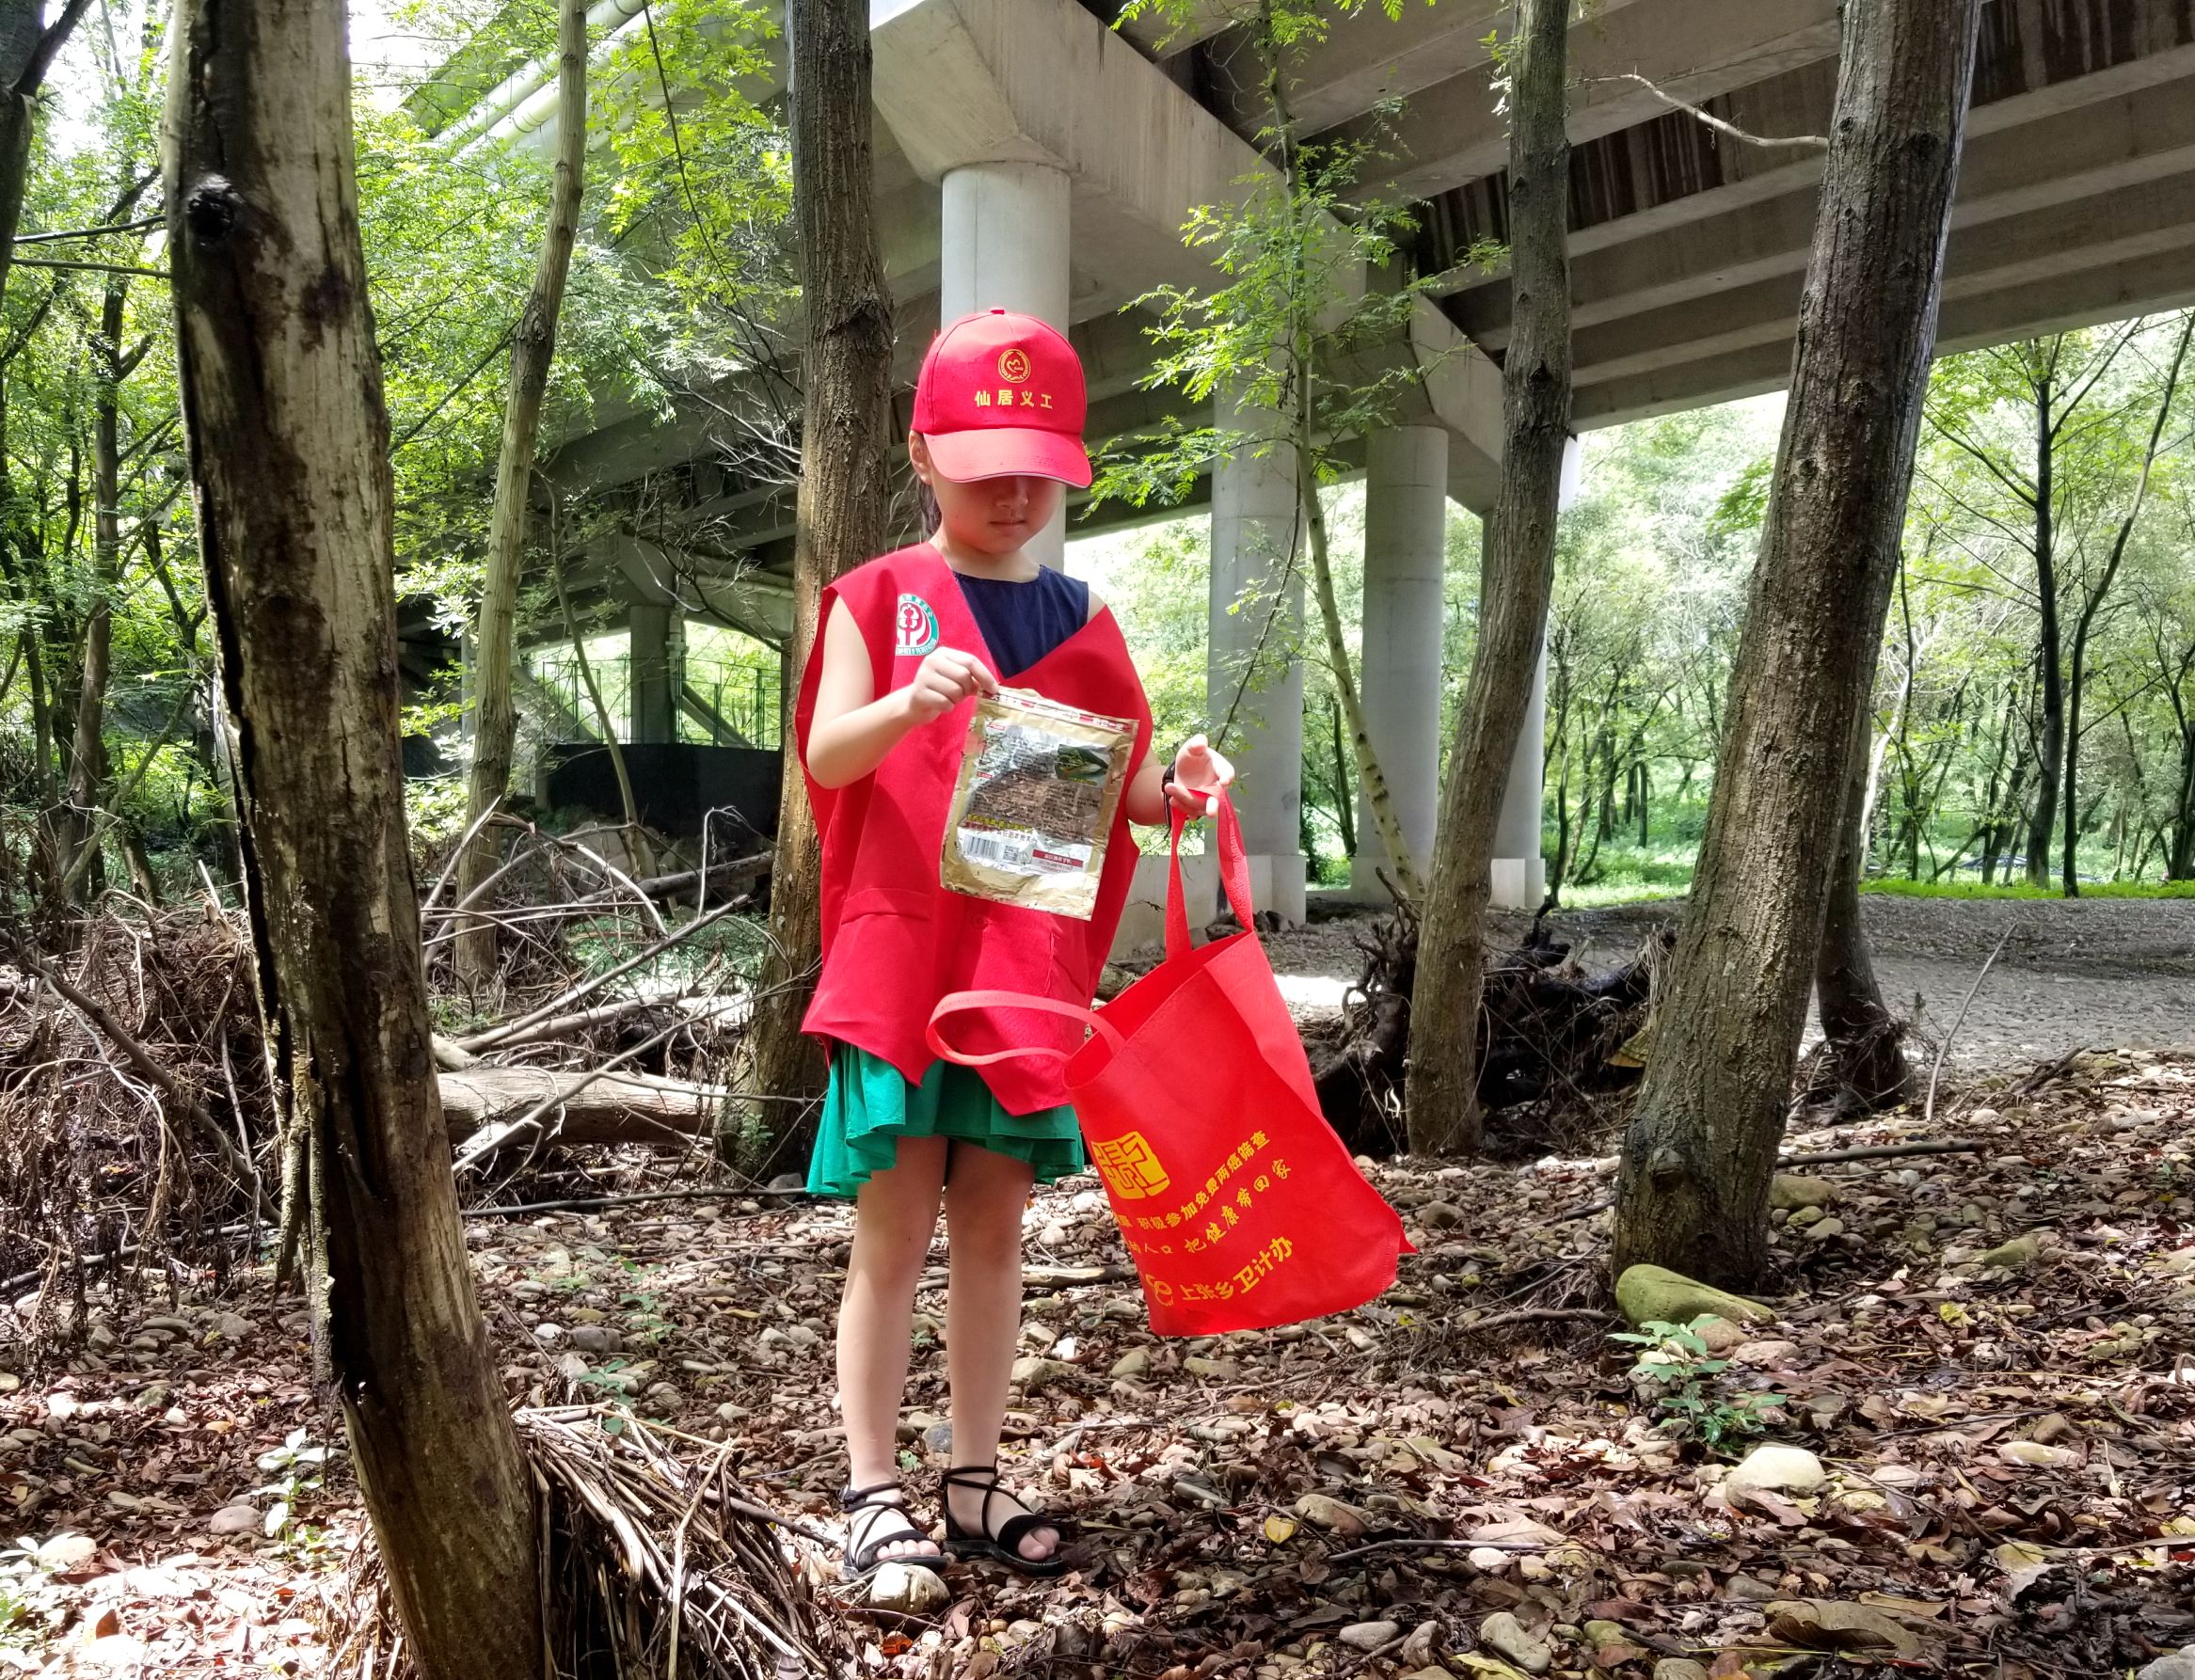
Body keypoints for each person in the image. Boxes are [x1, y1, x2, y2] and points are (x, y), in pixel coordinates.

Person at [796, 309, 1233, 1579]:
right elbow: (825, 759)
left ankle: (975, 1479)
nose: (1013, 492)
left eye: (1036, 469)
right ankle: (871, 1488)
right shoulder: (876, 597)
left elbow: (1125, 794)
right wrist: (901, 701)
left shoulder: (1076, 615)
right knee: (891, 1234)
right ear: (923, 452)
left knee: (992, 1229)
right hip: (901, 968)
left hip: (1018, 975)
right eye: (984, 465)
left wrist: (1190, 784)